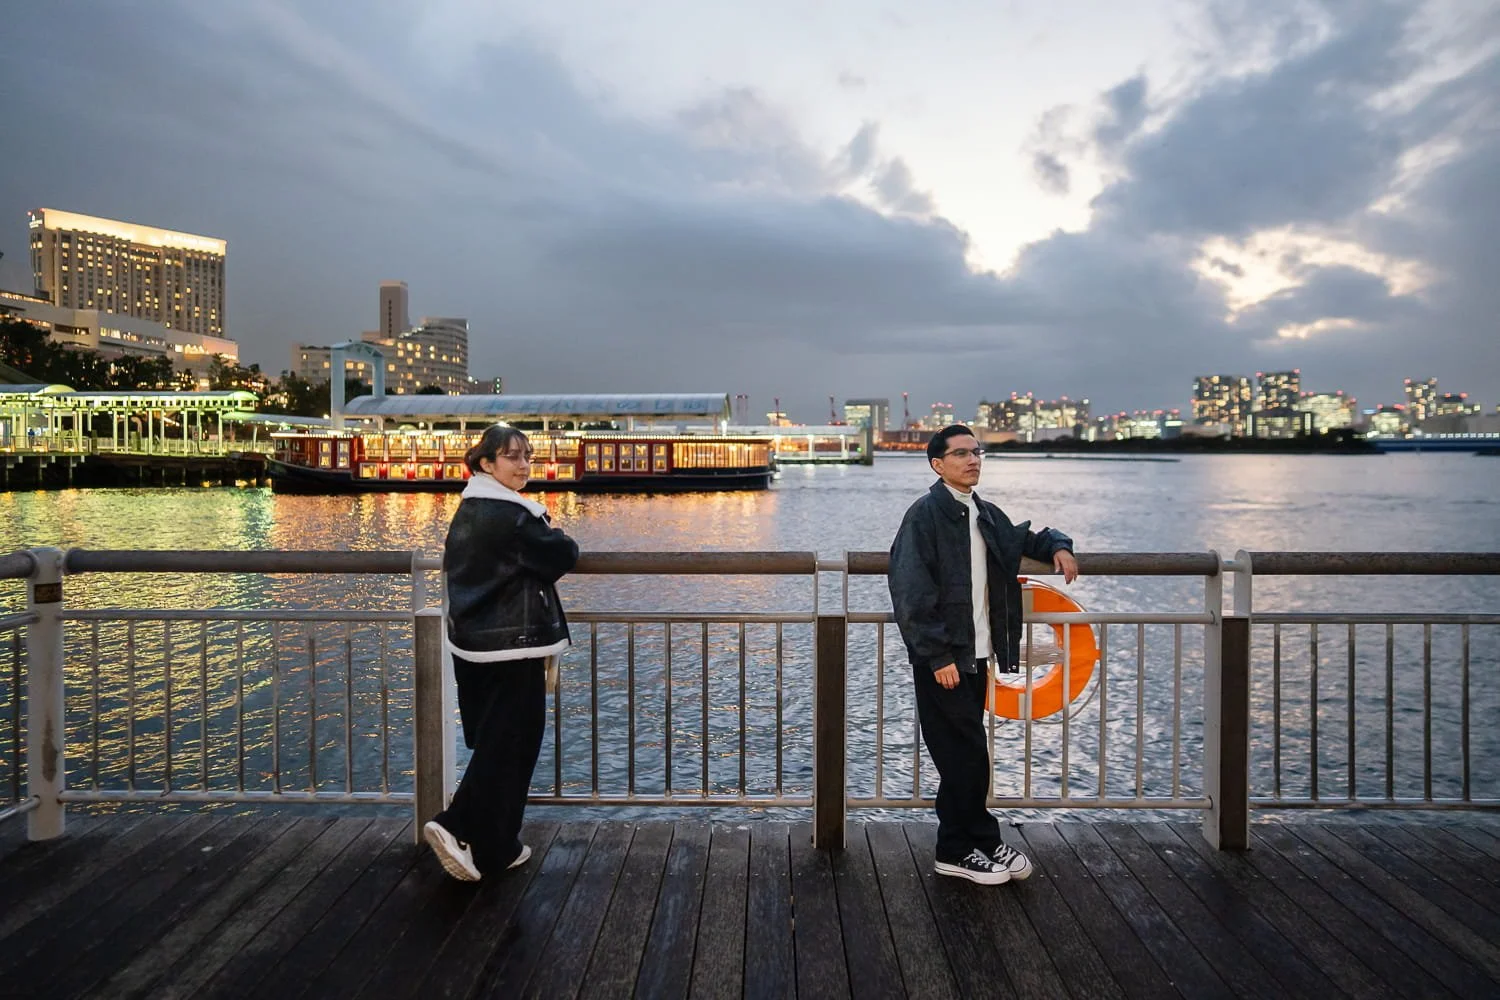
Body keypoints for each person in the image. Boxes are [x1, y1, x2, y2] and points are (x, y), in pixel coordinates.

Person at [888, 424, 1079, 885]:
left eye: (977, 453)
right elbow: (911, 592)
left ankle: (979, 839)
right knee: (964, 756)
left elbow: (1026, 539)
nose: (973, 460)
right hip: (945, 661)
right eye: (961, 454)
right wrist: (937, 657)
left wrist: (1059, 546)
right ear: (938, 464)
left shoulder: (984, 513)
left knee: (970, 753)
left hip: (977, 656)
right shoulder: (925, 516)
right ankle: (956, 848)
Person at [423, 424, 579, 882]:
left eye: (527, 456)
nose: (524, 465)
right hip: (512, 647)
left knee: (502, 742)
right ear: (486, 463)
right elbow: (562, 555)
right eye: (512, 457)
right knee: (509, 745)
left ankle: (497, 847)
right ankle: (454, 825)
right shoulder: (512, 515)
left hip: (475, 643)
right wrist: (556, 532)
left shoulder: (470, 508)